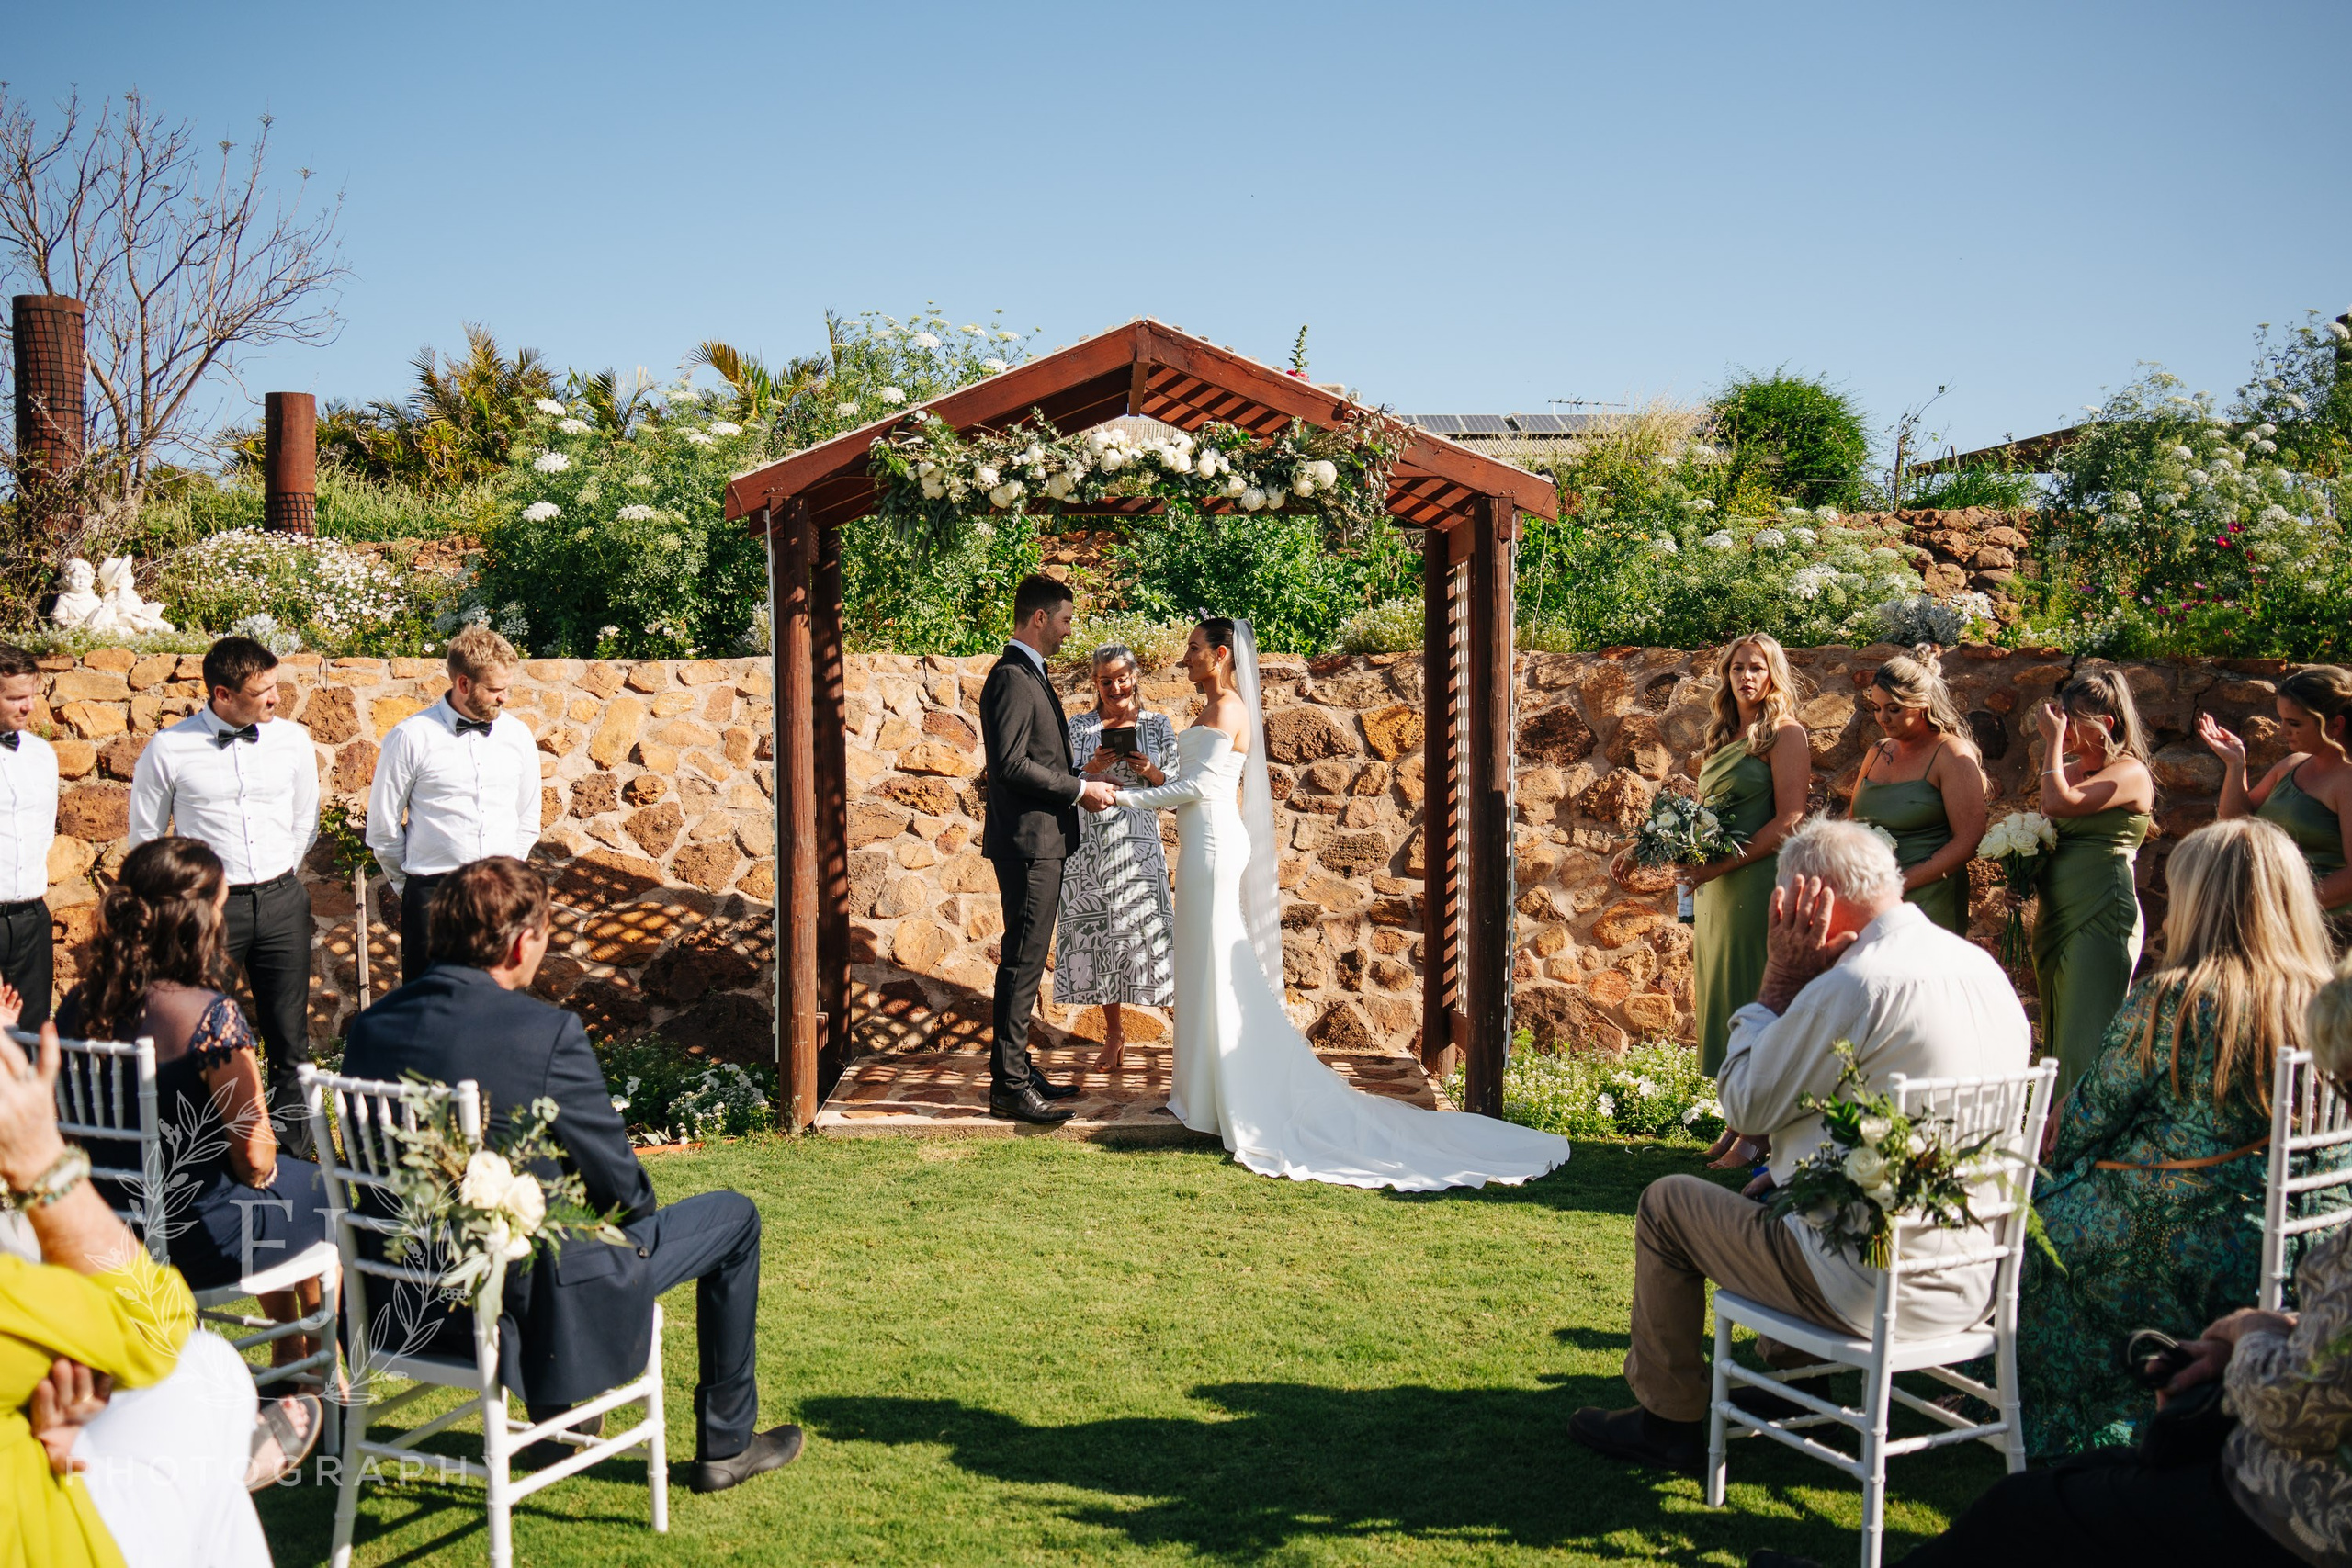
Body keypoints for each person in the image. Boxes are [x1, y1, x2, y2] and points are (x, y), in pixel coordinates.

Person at [1750, 957, 2352, 1568]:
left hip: (2289, 1503)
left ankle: (2049, 1411)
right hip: (2270, 1231)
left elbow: (2086, 1119)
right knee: (2082, 1480)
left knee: (2044, 1249)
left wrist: (2251, 1334)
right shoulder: (2304, 984)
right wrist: (2282, 1327)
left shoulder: (2174, 997)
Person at [1568, 818, 2030, 1474]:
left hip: (1869, 1284)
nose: (1778, 916)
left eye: (1781, 904)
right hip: (1971, 1280)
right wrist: (1798, 1173)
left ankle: (1668, 1420)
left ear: (1812, 900)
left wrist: (1780, 979)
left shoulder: (1856, 984)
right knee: (1785, 1187)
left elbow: (1745, 1104)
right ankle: (1798, 1391)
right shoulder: (1980, 968)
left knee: (1667, 1203)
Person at [340, 856, 802, 1494]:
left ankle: (562, 1427)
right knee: (733, 1219)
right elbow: (625, 1189)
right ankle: (725, 1444)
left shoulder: (370, 1028)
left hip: (404, 1292)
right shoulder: (543, 1032)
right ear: (522, 940)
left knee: (544, 1230)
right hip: (529, 1292)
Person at [1103, 616, 1569, 1189]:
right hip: (1202, 842)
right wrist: (1151, 775)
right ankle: (1201, 1095)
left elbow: (1202, 791)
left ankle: (1232, 1091)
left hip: (1214, 847)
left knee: (1219, 963)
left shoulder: (1228, 710)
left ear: (1222, 654)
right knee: (1202, 963)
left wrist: (1122, 797)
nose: (1186, 657)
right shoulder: (1211, 710)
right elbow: (1196, 782)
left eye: (1195, 649)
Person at [2011, 818, 2338, 1456]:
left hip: (2188, 1241)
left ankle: (2085, 1419)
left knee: (2037, 1225)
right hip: (2311, 1239)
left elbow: (2082, 1125)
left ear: (2198, 900)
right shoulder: (2328, 1000)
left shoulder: (2174, 1000)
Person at [0, 1019, 277, 1568]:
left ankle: (222, 1459)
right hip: (48, 1540)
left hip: (130, 1213)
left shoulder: (85, 1006)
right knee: (207, 1363)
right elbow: (160, 1316)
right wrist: (39, 1161)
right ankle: (276, 1397)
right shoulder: (209, 1018)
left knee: (209, 1475)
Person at [51, 835, 334, 1364]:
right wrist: (260, 1167)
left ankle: (290, 1349)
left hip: (102, 1226)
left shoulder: (78, 1004)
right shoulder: (208, 1016)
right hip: (189, 1240)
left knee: (280, 1192)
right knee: (316, 1189)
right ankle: (316, 1372)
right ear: (200, 921)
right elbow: (255, 1155)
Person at [128, 636, 320, 1157]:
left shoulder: (293, 742)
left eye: (275, 685)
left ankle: (295, 1160)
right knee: (205, 1038)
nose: (276, 699)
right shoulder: (168, 748)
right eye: (262, 692)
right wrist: (185, 906)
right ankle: (214, 1156)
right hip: (210, 913)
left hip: (282, 900)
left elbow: (306, 820)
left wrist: (284, 874)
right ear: (222, 694)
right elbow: (147, 839)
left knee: (290, 1039)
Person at [976, 575, 1118, 1124]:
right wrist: (1080, 789)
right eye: (1064, 620)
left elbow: (1037, 762)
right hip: (1030, 844)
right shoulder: (1013, 677)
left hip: (1042, 839)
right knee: (1023, 960)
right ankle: (1008, 1086)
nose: (1067, 630)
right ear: (1039, 618)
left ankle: (1016, 1069)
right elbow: (1010, 765)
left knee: (1027, 959)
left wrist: (1081, 777)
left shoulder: (1029, 672)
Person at [367, 623, 544, 985]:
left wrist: (508, 882)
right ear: (463, 684)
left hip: (501, 896)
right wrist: (414, 889)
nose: (504, 698)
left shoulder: (518, 736)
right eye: (495, 690)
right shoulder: (409, 737)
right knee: (430, 1011)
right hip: (434, 897)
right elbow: (383, 828)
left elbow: (527, 818)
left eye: (506, 688)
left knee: (502, 1013)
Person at [1688, 634, 1810, 1078]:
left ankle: (1758, 1113)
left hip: (1754, 880)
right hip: (1714, 888)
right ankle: (1732, 1108)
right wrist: (1644, 847)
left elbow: (1792, 818)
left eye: (1756, 668)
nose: (1746, 677)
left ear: (1772, 674)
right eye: (1737, 668)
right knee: (1719, 989)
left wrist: (1720, 865)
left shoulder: (1785, 733)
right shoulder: (1722, 735)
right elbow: (1704, 811)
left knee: (1750, 990)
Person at [2033, 668, 2158, 1093]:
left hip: (2102, 911)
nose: (2062, 726)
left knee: (2084, 1035)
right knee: (2056, 1037)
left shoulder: (2131, 773)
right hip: (2058, 914)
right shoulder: (2068, 768)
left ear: (2105, 725)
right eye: (2059, 716)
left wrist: (2050, 741)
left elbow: (2058, 803)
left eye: (2071, 718)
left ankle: (2079, 1140)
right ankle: (2051, 1137)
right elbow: (2049, 832)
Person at [1059, 643, 1179, 1072]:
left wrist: (1149, 772)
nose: (1115, 687)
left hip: (1140, 842)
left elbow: (1175, 786)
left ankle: (1181, 1034)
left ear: (1135, 676)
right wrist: (1090, 767)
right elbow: (1064, 779)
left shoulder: (1158, 724)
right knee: (1100, 939)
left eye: (1122, 678)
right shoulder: (1079, 726)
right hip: (1090, 842)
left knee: (1148, 933)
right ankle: (1114, 1034)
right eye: (1105, 681)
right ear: (1095, 683)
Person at [2201, 663, 2352, 935]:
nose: (2283, 731)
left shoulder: (2347, 780)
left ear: (2335, 724)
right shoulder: (2292, 764)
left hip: (2321, 931)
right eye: (2282, 720)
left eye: (2294, 723)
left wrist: (2281, 907)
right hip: (2272, 924)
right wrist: (2236, 765)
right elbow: (2236, 824)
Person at [1847, 646, 1986, 936]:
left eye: (1894, 709)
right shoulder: (1877, 751)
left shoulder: (1951, 754)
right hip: (1872, 901)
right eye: (1877, 709)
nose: (1883, 718)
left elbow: (1968, 841)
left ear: (1922, 703)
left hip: (1929, 902)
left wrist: (1899, 882)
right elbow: (1851, 822)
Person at [0, 642, 58, 1027]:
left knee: (34, 1037)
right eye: (17, 697)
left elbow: (43, 833)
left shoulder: (42, 755)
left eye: (32, 695)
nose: (29, 707)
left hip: (33, 918)